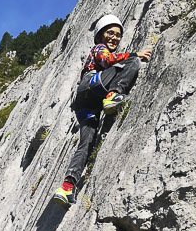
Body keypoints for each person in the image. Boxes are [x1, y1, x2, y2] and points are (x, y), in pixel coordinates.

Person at [52, 14, 152, 207]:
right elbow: (106, 62)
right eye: (110, 33)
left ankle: (67, 187)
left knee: (87, 142)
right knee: (132, 62)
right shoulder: (99, 48)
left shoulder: (103, 46)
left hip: (85, 104)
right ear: (100, 35)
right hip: (91, 84)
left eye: (117, 35)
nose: (114, 38)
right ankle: (113, 94)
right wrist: (134, 55)